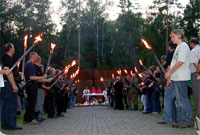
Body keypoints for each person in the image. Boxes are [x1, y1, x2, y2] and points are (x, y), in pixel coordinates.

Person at [165, 29, 193, 128]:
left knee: (183, 99)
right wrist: (170, 77)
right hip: (176, 78)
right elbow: (174, 62)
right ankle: (181, 120)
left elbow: (180, 62)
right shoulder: (178, 47)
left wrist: (169, 72)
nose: (171, 38)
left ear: (178, 36)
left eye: (172, 36)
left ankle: (188, 120)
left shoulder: (184, 46)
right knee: (179, 100)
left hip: (181, 77)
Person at [1, 43, 22, 130]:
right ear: (10, 49)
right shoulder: (8, 59)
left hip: (5, 84)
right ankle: (11, 124)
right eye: (13, 47)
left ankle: (6, 124)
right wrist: (13, 85)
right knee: (11, 104)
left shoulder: (4, 58)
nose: (14, 48)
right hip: (9, 84)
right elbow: (7, 72)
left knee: (5, 104)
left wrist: (18, 73)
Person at [23, 52, 47, 124]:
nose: (37, 58)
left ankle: (27, 118)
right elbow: (31, 77)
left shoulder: (28, 64)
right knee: (32, 102)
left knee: (31, 102)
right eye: (36, 57)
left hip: (31, 84)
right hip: (31, 85)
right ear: (33, 56)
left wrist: (45, 79)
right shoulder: (30, 64)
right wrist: (42, 77)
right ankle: (31, 118)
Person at [158, 41, 177, 125]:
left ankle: (167, 118)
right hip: (177, 79)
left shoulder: (170, 54)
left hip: (171, 79)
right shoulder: (177, 54)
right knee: (172, 100)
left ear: (169, 47)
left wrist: (168, 79)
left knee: (168, 100)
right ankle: (174, 118)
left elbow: (168, 67)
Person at [189, 37, 200, 118]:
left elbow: (195, 63)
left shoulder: (193, 51)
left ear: (192, 43)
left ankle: (199, 115)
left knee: (197, 94)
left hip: (196, 74)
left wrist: (197, 72)